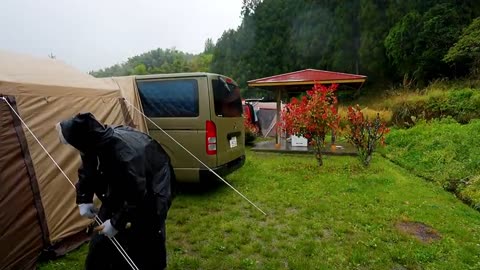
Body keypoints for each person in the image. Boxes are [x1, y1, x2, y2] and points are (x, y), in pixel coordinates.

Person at [56, 112, 175, 270]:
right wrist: (84, 198)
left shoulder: (124, 155)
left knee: (145, 242)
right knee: (101, 245)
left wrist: (116, 223)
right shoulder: (92, 142)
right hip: (124, 189)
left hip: (152, 190)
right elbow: (88, 168)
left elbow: (137, 196)